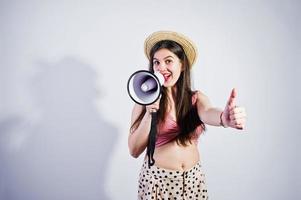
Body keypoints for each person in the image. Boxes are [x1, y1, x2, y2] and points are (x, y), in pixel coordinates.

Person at [128, 30, 247, 199]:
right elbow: (134, 150)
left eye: (168, 61)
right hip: (158, 183)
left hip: (193, 180)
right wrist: (149, 114)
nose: (161, 68)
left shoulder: (195, 98)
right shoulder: (143, 102)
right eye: (156, 62)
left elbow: (207, 112)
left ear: (182, 65)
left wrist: (224, 119)